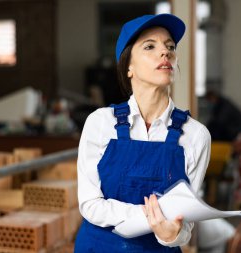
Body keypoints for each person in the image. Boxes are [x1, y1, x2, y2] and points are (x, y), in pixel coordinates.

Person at [74, 13, 211, 253]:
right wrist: (152, 217)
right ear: (129, 66)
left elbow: (186, 225)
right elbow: (90, 205)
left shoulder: (196, 136)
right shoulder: (99, 123)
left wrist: (172, 235)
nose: (165, 53)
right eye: (150, 46)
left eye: (170, 47)